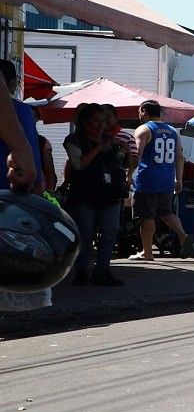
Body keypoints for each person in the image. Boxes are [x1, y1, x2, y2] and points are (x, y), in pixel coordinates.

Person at [63, 102, 129, 285]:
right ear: (85, 122)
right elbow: (78, 164)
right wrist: (98, 148)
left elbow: (124, 164)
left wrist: (126, 153)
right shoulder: (74, 140)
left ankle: (102, 271)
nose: (101, 125)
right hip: (84, 195)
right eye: (97, 121)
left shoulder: (111, 140)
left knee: (110, 233)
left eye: (104, 121)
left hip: (110, 194)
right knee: (85, 234)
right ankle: (81, 271)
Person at [129, 100, 191, 261]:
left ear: (144, 111)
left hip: (147, 179)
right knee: (166, 213)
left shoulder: (143, 130)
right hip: (167, 181)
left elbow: (137, 155)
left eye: (139, 111)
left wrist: (129, 175)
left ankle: (147, 252)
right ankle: (183, 235)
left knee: (146, 216)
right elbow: (180, 157)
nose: (139, 115)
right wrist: (179, 179)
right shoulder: (173, 131)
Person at [0, 59, 42, 194]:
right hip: (10, 191)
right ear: (12, 83)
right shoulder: (21, 110)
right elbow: (31, 152)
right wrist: (38, 186)